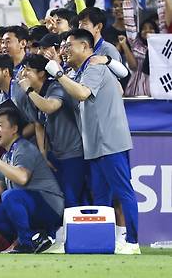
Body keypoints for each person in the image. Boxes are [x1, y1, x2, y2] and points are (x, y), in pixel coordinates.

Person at [45, 28, 140, 254]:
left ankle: (133, 242)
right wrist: (60, 70)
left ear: (85, 47)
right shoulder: (81, 71)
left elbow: (82, 93)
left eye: (70, 45)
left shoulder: (95, 66)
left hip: (110, 141)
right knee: (100, 195)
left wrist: (58, 74)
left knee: (123, 191)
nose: (65, 50)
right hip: (94, 144)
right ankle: (105, 241)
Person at [0, 108, 64, 254]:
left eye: (0, 125)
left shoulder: (24, 147)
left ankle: (27, 243)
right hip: (31, 205)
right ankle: (37, 237)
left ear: (14, 128)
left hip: (49, 205)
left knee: (9, 196)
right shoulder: (6, 156)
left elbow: (22, 178)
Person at [19, 54, 88, 209]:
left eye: (28, 70)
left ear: (41, 73)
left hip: (73, 152)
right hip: (55, 154)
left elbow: (50, 107)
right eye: (23, 69)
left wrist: (29, 90)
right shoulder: (34, 93)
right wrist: (43, 154)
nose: (23, 74)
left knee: (72, 198)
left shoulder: (55, 87)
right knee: (60, 197)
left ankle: (78, 231)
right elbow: (38, 125)